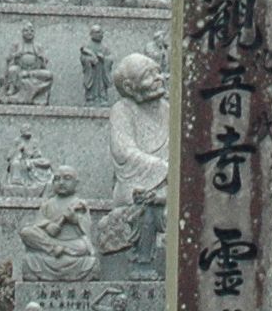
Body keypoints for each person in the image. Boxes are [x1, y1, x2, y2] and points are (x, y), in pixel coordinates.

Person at [108, 53, 168, 202]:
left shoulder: (168, 109)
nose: (159, 78)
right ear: (128, 87)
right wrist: (165, 168)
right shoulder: (122, 110)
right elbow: (124, 153)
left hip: (170, 181)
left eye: (158, 72)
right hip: (137, 183)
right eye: (148, 75)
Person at [18, 169, 98, 280]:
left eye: (67, 178)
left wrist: (75, 219)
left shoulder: (79, 204)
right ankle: (53, 248)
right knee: (26, 232)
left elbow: (87, 229)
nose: (61, 182)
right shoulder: (47, 204)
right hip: (50, 244)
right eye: (57, 179)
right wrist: (47, 225)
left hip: (71, 244)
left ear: (76, 183)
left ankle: (55, 248)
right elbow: (37, 225)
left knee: (83, 247)